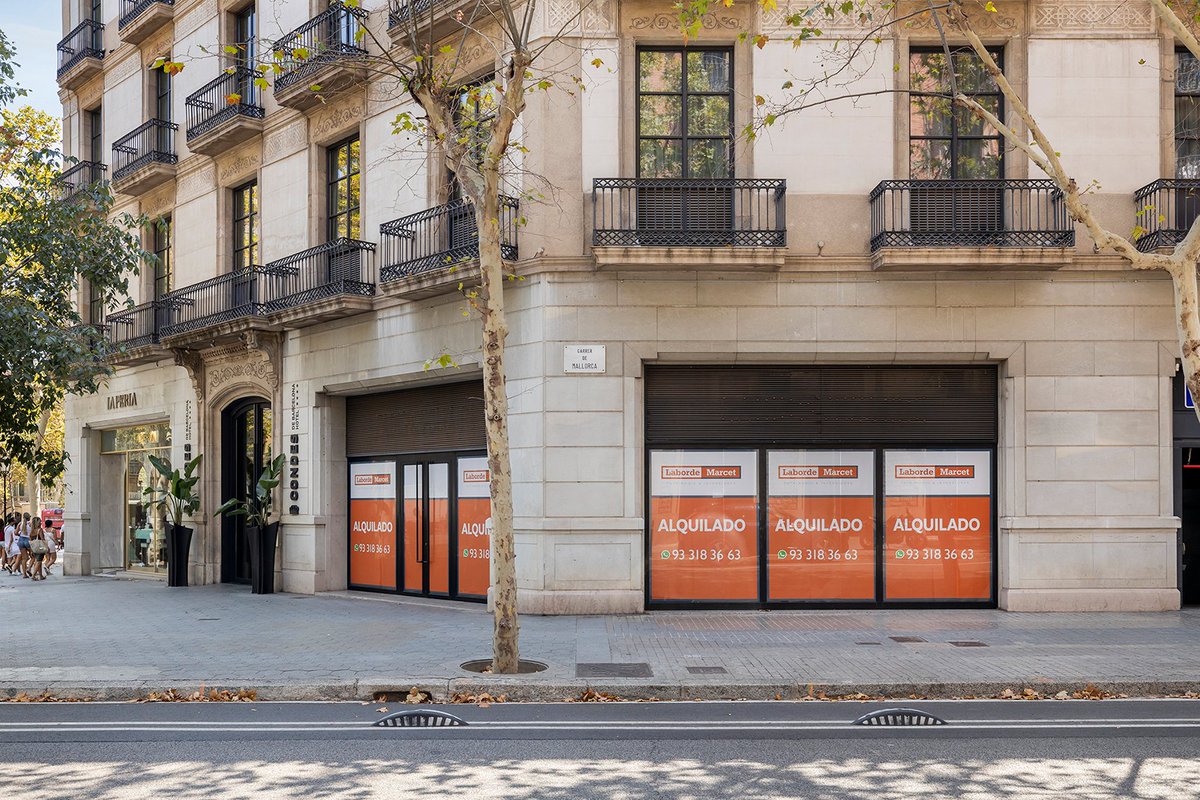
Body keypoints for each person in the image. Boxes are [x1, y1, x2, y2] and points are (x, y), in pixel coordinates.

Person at [16, 512, 31, 578]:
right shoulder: (30, 524)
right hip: (28, 540)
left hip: (21, 540)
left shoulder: (20, 524)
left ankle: (24, 574)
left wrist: (20, 534)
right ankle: (29, 569)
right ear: (29, 517)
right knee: (33, 557)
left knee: (24, 558)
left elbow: (15, 533)